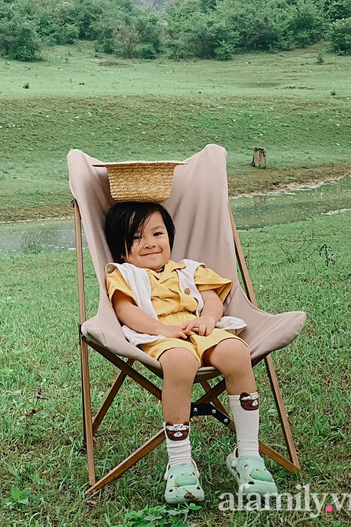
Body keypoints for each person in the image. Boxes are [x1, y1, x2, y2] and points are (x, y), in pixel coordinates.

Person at [105, 201, 277, 505]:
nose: (149, 244)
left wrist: (208, 319)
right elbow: (125, 310)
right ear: (121, 249)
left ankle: (248, 455)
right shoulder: (123, 274)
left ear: (170, 236)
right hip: (158, 336)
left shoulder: (190, 268)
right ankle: (181, 463)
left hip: (201, 329)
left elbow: (212, 301)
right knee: (181, 361)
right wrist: (164, 330)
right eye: (135, 238)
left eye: (157, 233)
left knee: (237, 352)